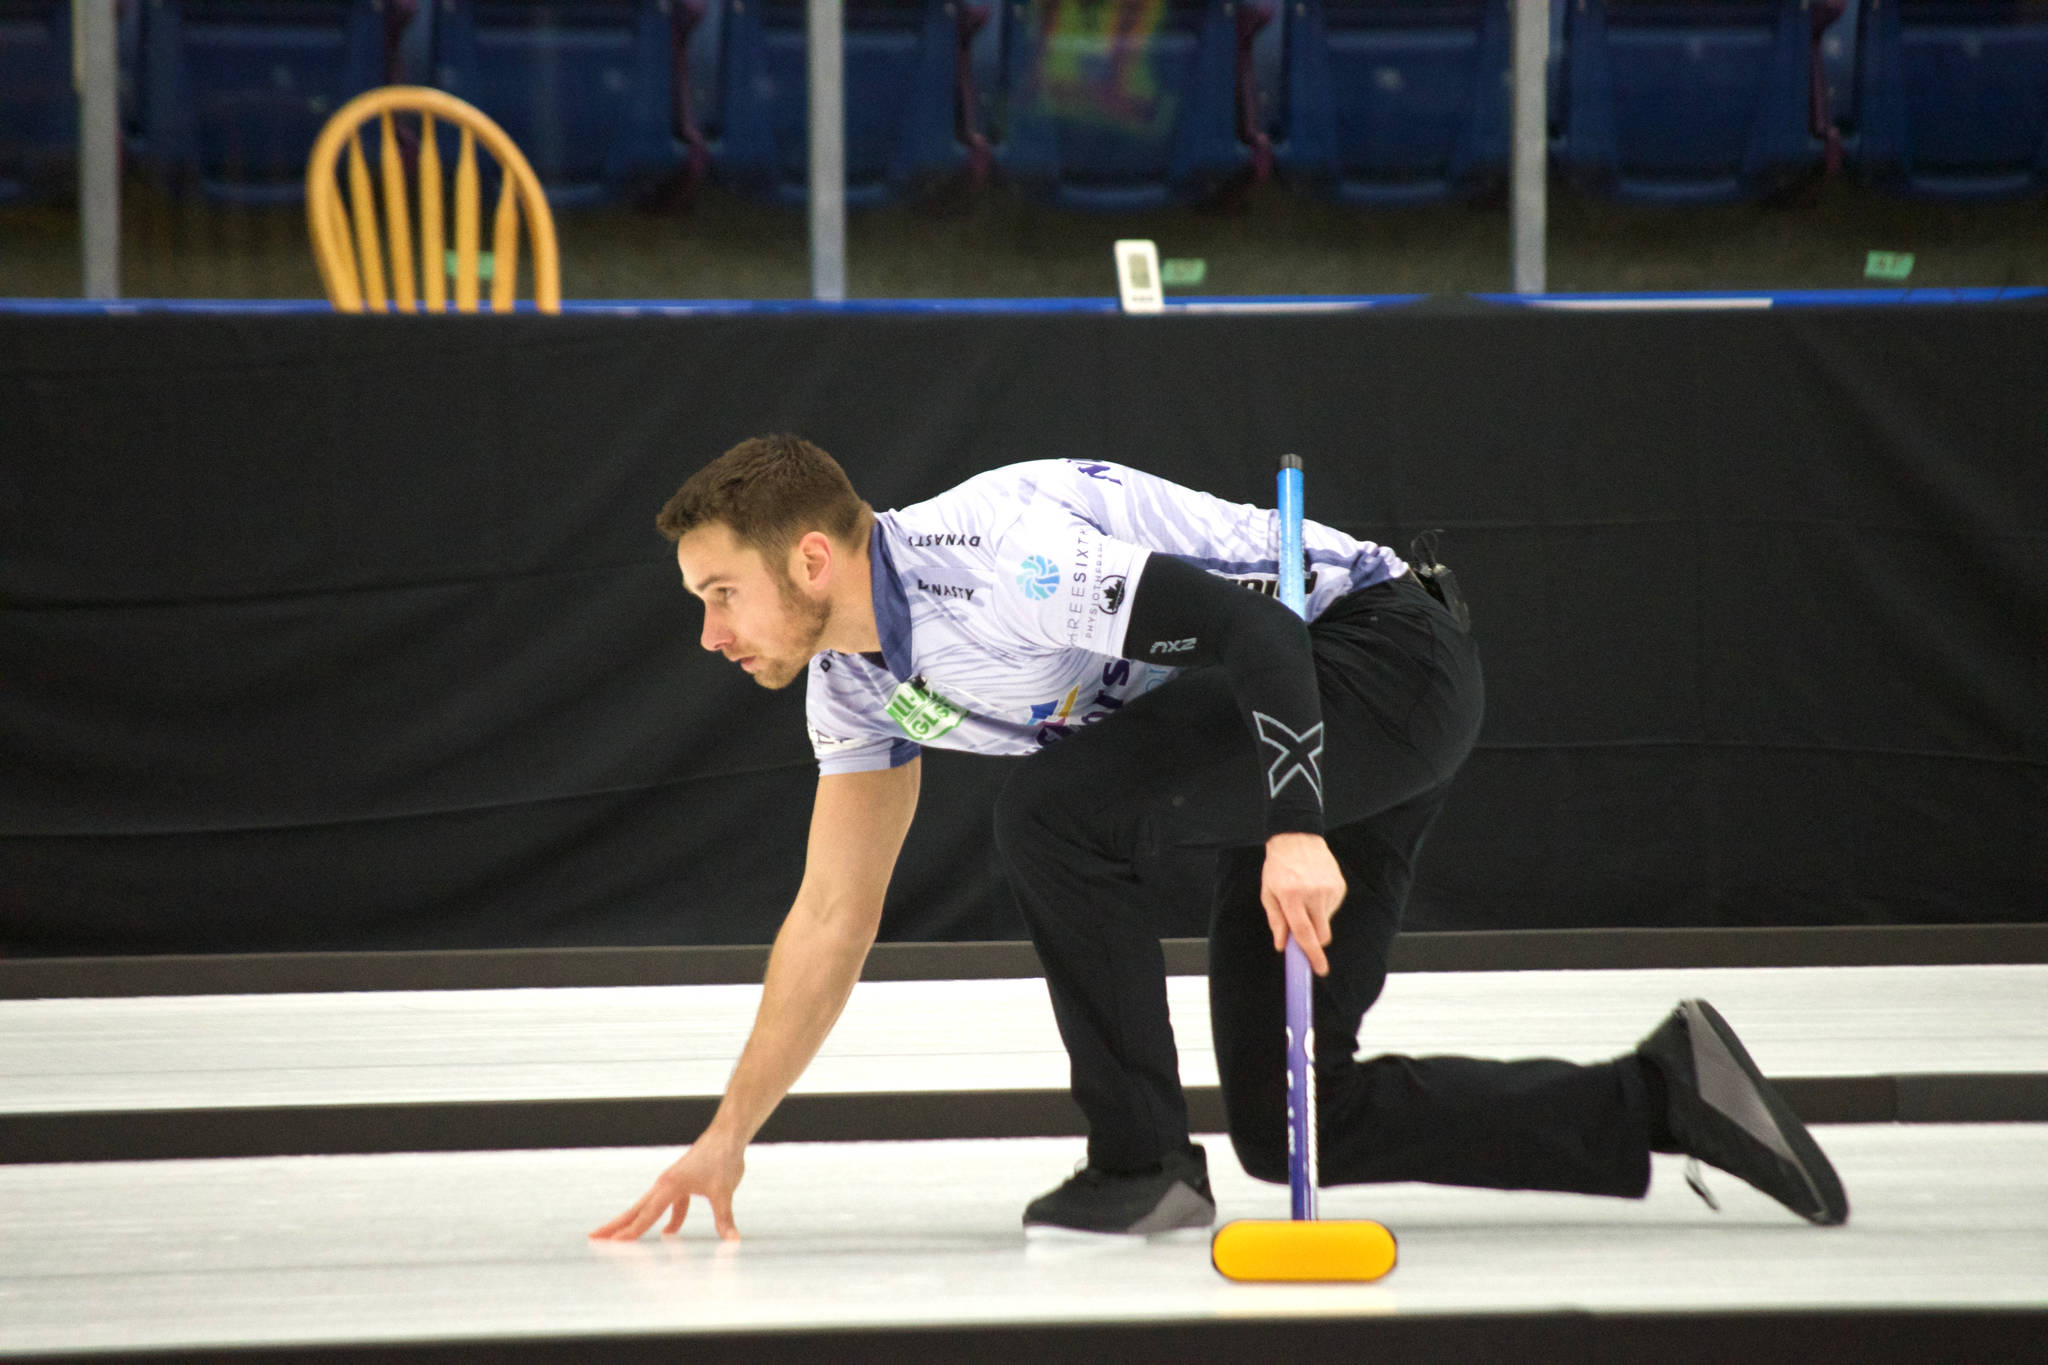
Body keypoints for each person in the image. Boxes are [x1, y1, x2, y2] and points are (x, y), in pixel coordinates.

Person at [590, 434, 1849, 1242]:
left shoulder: (1000, 559)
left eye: (720, 595)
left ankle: (1138, 1162)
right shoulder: (852, 687)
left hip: (1373, 659)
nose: (709, 635)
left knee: (1051, 809)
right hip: (1279, 724)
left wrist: (1293, 829)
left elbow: (1259, 639)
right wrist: (725, 1135)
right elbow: (830, 919)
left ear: (810, 557)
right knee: (1297, 1122)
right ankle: (1664, 1095)